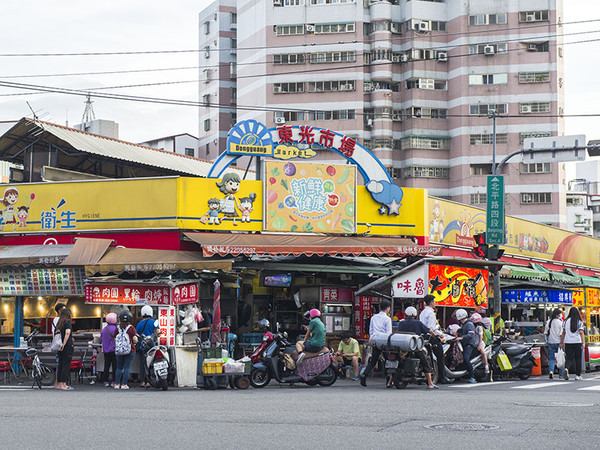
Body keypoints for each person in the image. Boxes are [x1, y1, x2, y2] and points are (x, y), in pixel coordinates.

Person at [398, 306, 440, 389]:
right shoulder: (418, 323)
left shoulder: (402, 323)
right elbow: (428, 330)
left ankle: (389, 382)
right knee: (425, 363)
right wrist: (435, 335)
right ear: (415, 314)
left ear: (406, 314)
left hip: (403, 347)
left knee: (399, 361)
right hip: (415, 346)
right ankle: (430, 383)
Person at [360, 300, 392, 387]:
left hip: (374, 339)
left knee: (373, 360)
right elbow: (389, 332)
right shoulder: (387, 319)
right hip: (384, 340)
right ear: (387, 308)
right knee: (387, 360)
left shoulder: (373, 317)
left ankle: (364, 375)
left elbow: (371, 330)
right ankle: (388, 380)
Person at [419, 295, 449, 383]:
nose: (435, 303)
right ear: (431, 302)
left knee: (426, 357)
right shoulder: (431, 313)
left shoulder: (422, 312)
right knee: (440, 356)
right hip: (431, 337)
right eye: (434, 301)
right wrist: (441, 334)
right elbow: (431, 328)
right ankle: (442, 377)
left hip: (423, 337)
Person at [136, 305, 159, 388]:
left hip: (143, 346)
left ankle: (142, 381)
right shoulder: (154, 322)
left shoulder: (139, 324)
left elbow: (137, 335)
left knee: (143, 364)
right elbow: (158, 333)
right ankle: (150, 381)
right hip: (152, 347)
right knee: (152, 363)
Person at [114, 310, 138, 390]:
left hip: (119, 351)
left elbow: (114, 339)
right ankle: (124, 384)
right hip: (129, 350)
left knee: (119, 368)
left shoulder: (117, 328)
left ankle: (117, 383)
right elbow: (135, 339)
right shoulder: (131, 328)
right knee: (126, 368)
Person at [560, 307, 585, 381]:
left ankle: (567, 368)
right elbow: (581, 332)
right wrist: (583, 343)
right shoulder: (579, 321)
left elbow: (563, 333)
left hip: (568, 342)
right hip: (577, 342)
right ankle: (578, 375)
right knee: (578, 359)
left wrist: (561, 342)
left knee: (569, 358)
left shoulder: (565, 321)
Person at [456, 308, 478, 383]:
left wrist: (461, 338)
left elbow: (471, 335)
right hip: (463, 343)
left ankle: (472, 376)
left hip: (469, 344)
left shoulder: (469, 324)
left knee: (466, 358)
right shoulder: (463, 324)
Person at [55, 308, 74, 390]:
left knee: (61, 364)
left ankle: (59, 384)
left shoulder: (59, 323)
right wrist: (64, 343)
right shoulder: (67, 322)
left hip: (59, 346)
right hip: (66, 346)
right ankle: (64, 384)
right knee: (66, 365)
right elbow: (67, 332)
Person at [100, 312, 118, 387]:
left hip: (106, 351)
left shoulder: (104, 330)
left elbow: (101, 339)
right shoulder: (116, 329)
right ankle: (114, 380)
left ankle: (105, 381)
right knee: (115, 366)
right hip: (114, 350)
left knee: (106, 366)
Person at [545, 308, 564, 380]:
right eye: (560, 314)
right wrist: (562, 343)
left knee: (551, 359)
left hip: (551, 342)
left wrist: (549, 339)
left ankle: (551, 371)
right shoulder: (560, 322)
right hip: (558, 343)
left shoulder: (548, 322)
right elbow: (561, 334)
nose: (560, 315)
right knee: (560, 358)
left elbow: (546, 333)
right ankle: (561, 374)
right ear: (557, 315)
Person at [51, 303, 66, 388]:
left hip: (57, 342)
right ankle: (59, 382)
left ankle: (58, 382)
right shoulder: (59, 320)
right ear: (59, 311)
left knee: (59, 362)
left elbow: (53, 333)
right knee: (60, 363)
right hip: (60, 343)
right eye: (64, 309)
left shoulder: (55, 320)